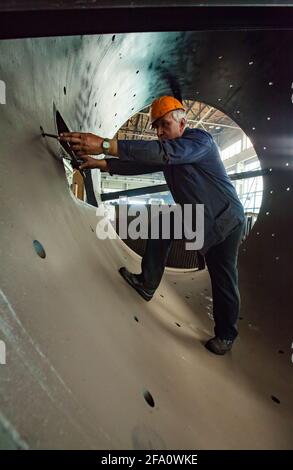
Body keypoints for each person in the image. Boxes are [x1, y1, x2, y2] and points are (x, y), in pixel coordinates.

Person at [59, 96, 245, 355]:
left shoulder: (200, 141)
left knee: (222, 277)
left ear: (183, 123)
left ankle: (226, 334)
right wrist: (101, 163)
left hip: (224, 220)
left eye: (164, 125)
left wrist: (104, 144)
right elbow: (141, 163)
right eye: (156, 127)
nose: (159, 132)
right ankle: (147, 283)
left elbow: (164, 154)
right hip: (195, 216)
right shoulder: (169, 150)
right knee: (163, 222)